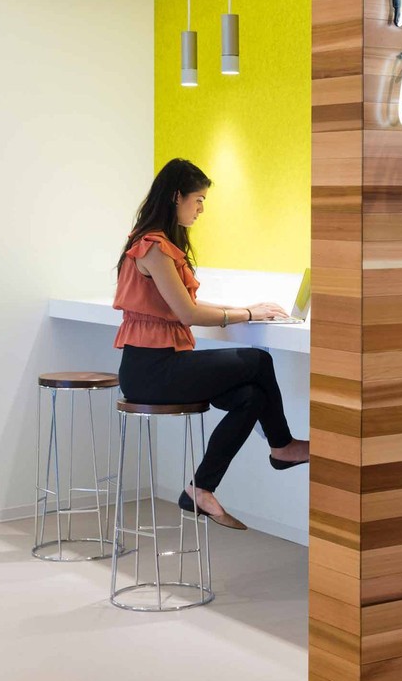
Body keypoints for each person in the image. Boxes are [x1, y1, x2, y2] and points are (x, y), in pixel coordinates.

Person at [113, 157, 309, 530]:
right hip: (151, 372)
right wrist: (248, 315)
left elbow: (184, 307)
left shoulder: (156, 244)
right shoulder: (153, 247)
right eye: (198, 199)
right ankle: (281, 446)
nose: (201, 208)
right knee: (257, 361)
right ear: (176, 197)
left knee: (251, 395)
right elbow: (187, 314)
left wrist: (245, 309)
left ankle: (200, 489)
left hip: (161, 367)